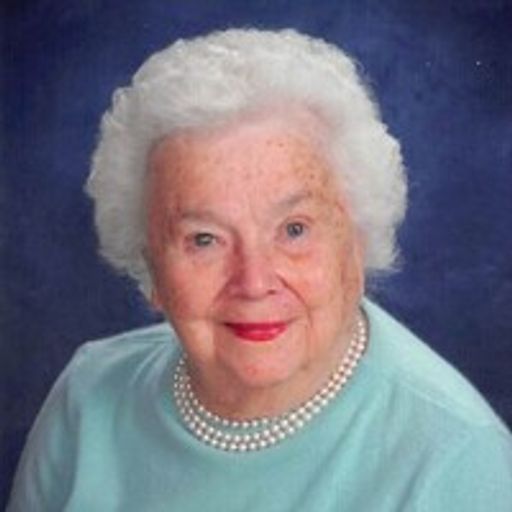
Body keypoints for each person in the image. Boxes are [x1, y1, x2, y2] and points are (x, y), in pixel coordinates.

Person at [8, 28, 512, 511]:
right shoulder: (88, 397)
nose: (253, 282)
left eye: (294, 230)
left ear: (357, 243)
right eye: (204, 239)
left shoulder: (459, 463)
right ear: (150, 266)